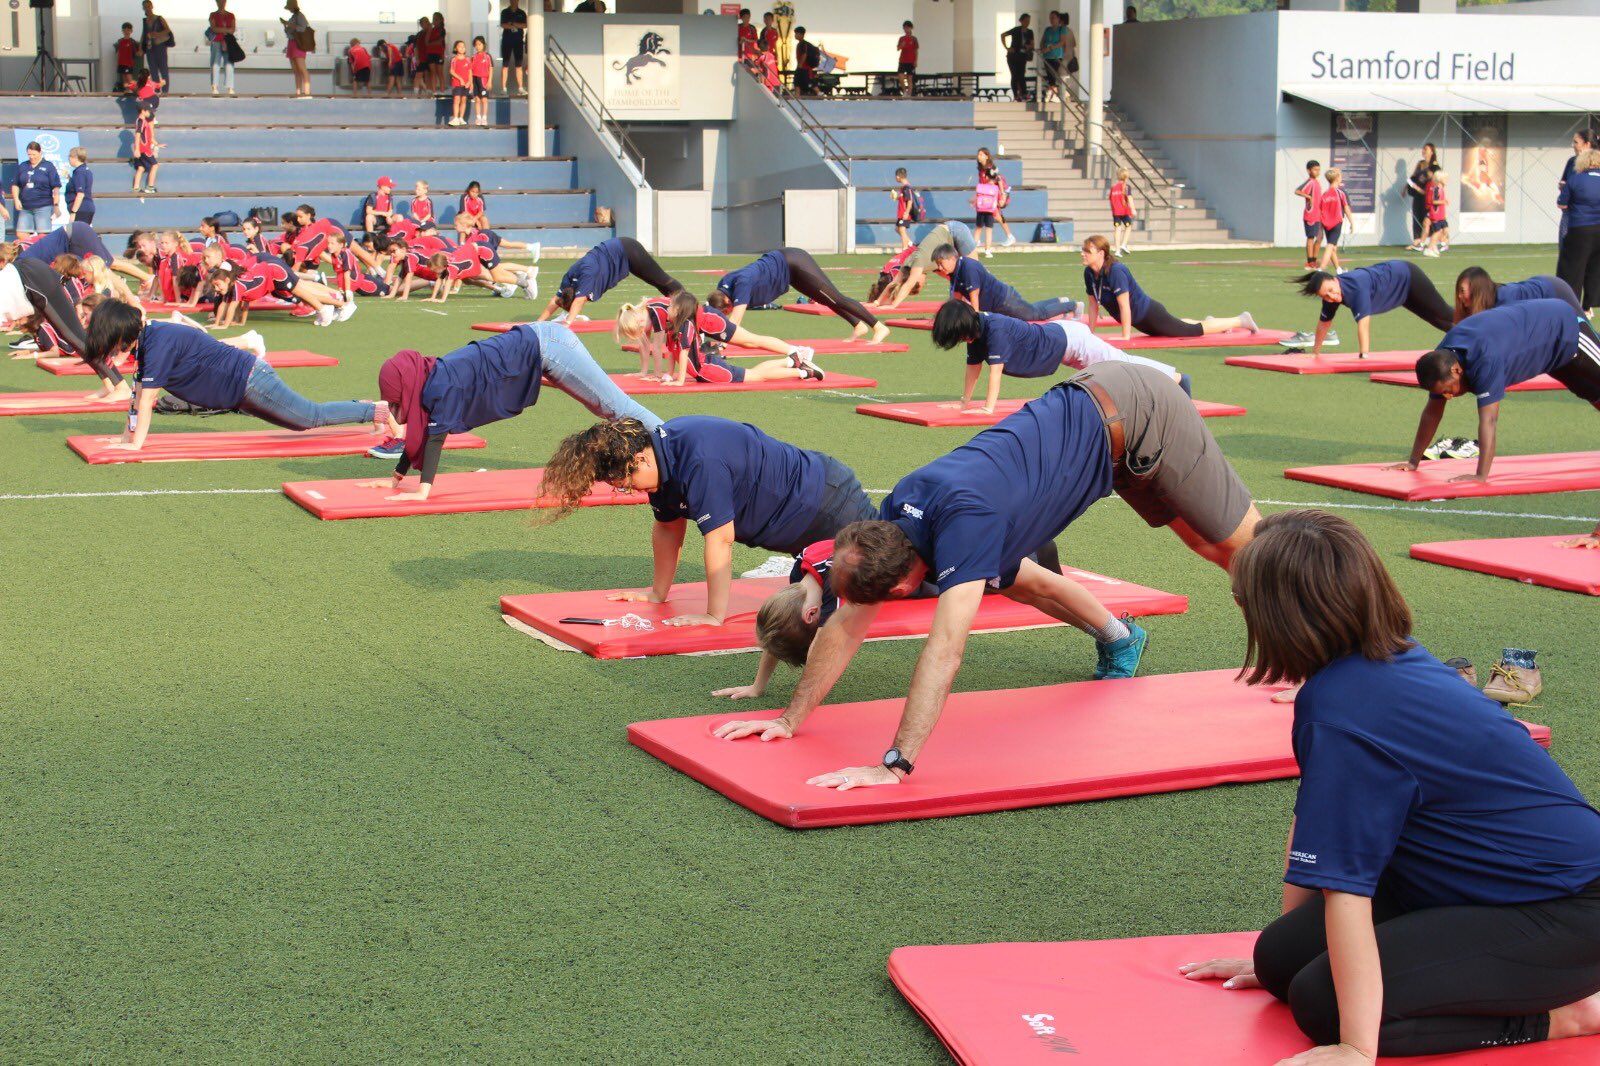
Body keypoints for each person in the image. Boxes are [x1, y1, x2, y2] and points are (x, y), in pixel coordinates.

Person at [710, 363, 1263, 787]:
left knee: (1239, 554)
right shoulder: (894, 517)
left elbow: (945, 650)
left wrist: (895, 764)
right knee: (1022, 579)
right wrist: (789, 719)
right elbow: (844, 625)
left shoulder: (964, 524)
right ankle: (1121, 636)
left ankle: (1325, 659)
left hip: (1143, 408)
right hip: (1098, 425)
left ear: (903, 587)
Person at [1179, 508, 1600, 1061]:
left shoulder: (1342, 709)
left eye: (1241, 600)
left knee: (1321, 1002)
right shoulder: (1384, 660)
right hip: (1472, 882)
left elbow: (1347, 888)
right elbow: (1318, 830)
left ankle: (1569, 1014)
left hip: (1565, 910)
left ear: (1278, 615)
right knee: (1281, 963)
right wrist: (1285, 959)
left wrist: (1354, 1045)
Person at [539, 416, 877, 629]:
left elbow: (720, 539)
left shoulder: (699, 460)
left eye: (624, 482)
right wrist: (657, 593)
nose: (626, 490)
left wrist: (714, 616)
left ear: (639, 458)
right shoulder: (660, 462)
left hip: (830, 507)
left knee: (884, 583)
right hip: (802, 525)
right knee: (802, 609)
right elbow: (668, 527)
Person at [363, 324, 658, 495]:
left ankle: (671, 442)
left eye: (397, 401)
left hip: (551, 346)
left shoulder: (441, 385)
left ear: (406, 387)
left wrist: (423, 492)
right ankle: (661, 449)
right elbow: (423, 432)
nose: (397, 408)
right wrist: (395, 478)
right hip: (543, 347)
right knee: (608, 408)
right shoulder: (428, 377)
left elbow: (435, 439)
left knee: (615, 408)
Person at [86, 301, 384, 451]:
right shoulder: (148, 343)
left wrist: (135, 444)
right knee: (300, 423)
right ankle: (369, 408)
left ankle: (377, 411)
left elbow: (147, 399)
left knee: (309, 417)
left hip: (250, 381)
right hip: (240, 390)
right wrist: (124, 437)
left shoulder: (157, 343)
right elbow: (137, 397)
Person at [1393, 299, 1599, 486]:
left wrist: (1480, 475)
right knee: (1592, 394)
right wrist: (1413, 461)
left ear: (1456, 370)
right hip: (1549, 353)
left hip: (1564, 328)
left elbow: (1489, 420)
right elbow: (1432, 411)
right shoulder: (1442, 360)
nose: (1448, 396)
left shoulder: (1484, 359)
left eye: (1448, 391)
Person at [932, 299, 1188, 414]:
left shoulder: (994, 328)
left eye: (959, 337)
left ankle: (1176, 378)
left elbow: (994, 372)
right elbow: (973, 367)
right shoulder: (976, 331)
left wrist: (988, 408)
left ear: (965, 326)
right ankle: (1169, 381)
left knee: (1123, 365)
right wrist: (965, 402)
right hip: (1063, 346)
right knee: (1114, 374)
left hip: (1073, 341)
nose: (962, 342)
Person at [617, 291, 823, 388]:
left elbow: (666, 348)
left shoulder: (661, 314)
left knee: (751, 340)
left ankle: (796, 353)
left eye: (637, 330)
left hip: (711, 322)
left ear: (638, 319)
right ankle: (794, 360)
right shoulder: (662, 318)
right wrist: (656, 374)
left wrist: (664, 375)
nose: (642, 335)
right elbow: (664, 348)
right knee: (751, 345)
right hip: (703, 333)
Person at [1082, 235, 1256, 340]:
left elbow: (1124, 305)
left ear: (1101, 254)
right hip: (1141, 321)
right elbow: (1093, 305)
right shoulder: (1089, 273)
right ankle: (1213, 322)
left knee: (1191, 331)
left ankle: (1240, 320)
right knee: (1178, 325)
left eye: (1087, 251)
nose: (1083, 254)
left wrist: (1125, 336)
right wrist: (1091, 333)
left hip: (1149, 314)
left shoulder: (1116, 271)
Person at [0, 257, 121, 401]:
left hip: (31, 278)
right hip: (27, 276)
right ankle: (109, 385)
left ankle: (120, 385)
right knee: (71, 336)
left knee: (74, 336)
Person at [1288, 259, 1451, 360]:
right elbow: (1324, 323)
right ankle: (1467, 339)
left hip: (1407, 276)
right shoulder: (1331, 296)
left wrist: (1363, 355)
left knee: (1443, 312)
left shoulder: (1354, 288)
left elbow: (1363, 324)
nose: (1331, 297)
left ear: (1334, 279)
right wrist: (1316, 352)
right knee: (1435, 319)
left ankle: (1476, 315)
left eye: (1331, 290)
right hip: (1400, 293)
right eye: (1325, 296)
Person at [713, 247, 887, 341]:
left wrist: (720, 345)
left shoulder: (741, 284)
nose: (727, 314)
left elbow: (735, 322)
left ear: (727, 301)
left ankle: (878, 327)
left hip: (794, 261)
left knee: (835, 297)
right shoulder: (723, 286)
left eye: (725, 311)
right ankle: (858, 325)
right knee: (824, 299)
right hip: (788, 273)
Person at [536, 236, 682, 322]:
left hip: (628, 250)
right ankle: (679, 314)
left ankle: (691, 311)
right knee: (658, 283)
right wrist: (537, 323)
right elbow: (555, 301)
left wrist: (568, 323)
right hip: (618, 251)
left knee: (663, 280)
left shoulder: (587, 276)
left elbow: (579, 301)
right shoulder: (569, 278)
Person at [934, 244, 1075, 322]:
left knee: (1036, 315)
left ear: (952, 258)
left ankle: (1072, 305)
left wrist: (975, 321)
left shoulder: (968, 267)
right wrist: (949, 316)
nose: (940, 268)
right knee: (1032, 309)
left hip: (1005, 301)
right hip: (1001, 301)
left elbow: (974, 296)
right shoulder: (955, 272)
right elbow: (957, 298)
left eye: (941, 263)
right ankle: (1059, 301)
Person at [875, 221, 978, 310]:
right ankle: (966, 303)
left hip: (956, 230)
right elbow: (894, 283)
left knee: (974, 271)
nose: (923, 284)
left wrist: (893, 305)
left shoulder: (918, 263)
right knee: (963, 274)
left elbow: (908, 284)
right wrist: (877, 302)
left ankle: (978, 304)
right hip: (948, 231)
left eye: (919, 284)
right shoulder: (908, 263)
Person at [1557, 144, 1600, 316]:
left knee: (1572, 267)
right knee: (1595, 267)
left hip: (1580, 228)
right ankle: (1589, 305)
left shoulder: (1575, 179)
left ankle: (1570, 304)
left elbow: (1562, 203)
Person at [1454, 267, 1581, 322]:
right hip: (1542, 287)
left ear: (1478, 290)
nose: (1459, 296)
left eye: (1462, 291)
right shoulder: (1491, 301)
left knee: (1583, 331)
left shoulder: (1505, 300)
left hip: (1555, 290)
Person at [10, 141, 61, 240]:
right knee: (21, 234)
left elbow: (56, 187)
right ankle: (29, 251)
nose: (32, 157)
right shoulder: (23, 166)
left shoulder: (48, 166)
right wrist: (16, 199)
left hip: (43, 205)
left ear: (40, 152)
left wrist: (56, 205)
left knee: (43, 236)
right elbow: (15, 184)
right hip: (25, 206)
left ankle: (41, 253)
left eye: (34, 154)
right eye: (29, 154)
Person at [974, 147, 1017, 255]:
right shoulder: (981, 169)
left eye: (981, 155)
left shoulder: (990, 168)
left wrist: (1002, 195)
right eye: (978, 154)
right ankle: (1009, 236)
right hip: (988, 195)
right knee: (997, 215)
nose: (979, 157)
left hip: (993, 195)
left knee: (996, 215)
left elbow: (999, 181)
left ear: (987, 156)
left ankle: (1009, 236)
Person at [1558, 128, 1595, 243]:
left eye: (1576, 142)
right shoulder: (1571, 162)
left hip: (1592, 216)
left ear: (1587, 144)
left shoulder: (1597, 163)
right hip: (1570, 215)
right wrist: (1564, 188)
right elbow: (1565, 184)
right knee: (1567, 252)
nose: (1572, 145)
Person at [1317, 167, 1352, 274]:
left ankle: (1338, 269)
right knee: (1330, 245)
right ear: (1337, 178)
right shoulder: (1341, 193)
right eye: (1340, 176)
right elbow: (1346, 208)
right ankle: (1321, 269)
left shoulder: (1324, 194)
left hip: (1326, 223)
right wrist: (1352, 222)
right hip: (1337, 222)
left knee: (1332, 248)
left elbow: (1321, 212)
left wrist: (1321, 228)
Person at [1404, 143, 1438, 252]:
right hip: (1418, 195)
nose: (1423, 151)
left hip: (1428, 196)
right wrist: (1405, 189)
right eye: (1423, 149)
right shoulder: (1420, 164)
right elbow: (1413, 178)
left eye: (1426, 149)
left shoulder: (1434, 166)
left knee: (1428, 219)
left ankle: (1432, 242)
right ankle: (1417, 241)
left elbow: (1437, 180)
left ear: (1431, 152)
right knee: (1416, 216)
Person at [281, 0, 312, 98]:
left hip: (298, 43)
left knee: (302, 68)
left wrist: (289, 24)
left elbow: (303, 28)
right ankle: (298, 91)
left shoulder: (300, 16)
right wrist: (285, 25)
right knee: (296, 69)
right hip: (291, 42)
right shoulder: (293, 17)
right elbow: (289, 31)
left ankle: (306, 91)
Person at [1295, 159, 1323, 270]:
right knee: (1311, 237)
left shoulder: (1316, 182)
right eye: (1315, 170)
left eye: (1319, 170)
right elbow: (1297, 191)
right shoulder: (1310, 181)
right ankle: (1309, 262)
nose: (1317, 172)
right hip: (1310, 215)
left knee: (1320, 238)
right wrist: (1309, 197)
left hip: (1319, 215)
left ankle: (1314, 261)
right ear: (1309, 170)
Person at [1001, 13, 1033, 103]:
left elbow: (1032, 44)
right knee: (1014, 75)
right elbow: (1003, 35)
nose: (1027, 23)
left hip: (1022, 55)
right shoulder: (1016, 30)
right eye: (1026, 21)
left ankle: (1024, 93)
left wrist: (1029, 47)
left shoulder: (1030, 32)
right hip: (1013, 55)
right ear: (1021, 21)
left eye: (1028, 21)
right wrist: (1007, 47)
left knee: (1021, 74)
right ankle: (1016, 94)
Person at [140, 1, 173, 89]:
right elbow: (143, 35)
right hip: (150, 48)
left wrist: (157, 34)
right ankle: (157, 91)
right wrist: (141, 48)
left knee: (163, 70)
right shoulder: (145, 21)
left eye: (148, 6)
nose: (147, 8)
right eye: (145, 7)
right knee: (153, 71)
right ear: (143, 8)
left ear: (152, 6)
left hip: (160, 46)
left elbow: (168, 30)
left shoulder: (159, 18)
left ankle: (165, 91)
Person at [208, 0, 237, 95]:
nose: (222, 3)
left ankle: (230, 87)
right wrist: (226, 30)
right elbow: (213, 28)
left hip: (228, 42)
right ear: (216, 2)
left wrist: (221, 30)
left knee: (229, 64)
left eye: (223, 1)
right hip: (217, 41)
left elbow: (232, 29)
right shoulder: (213, 15)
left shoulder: (231, 15)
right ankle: (214, 86)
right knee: (215, 64)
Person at [500, 0, 528, 96]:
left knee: (519, 65)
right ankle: (503, 88)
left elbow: (525, 25)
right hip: (506, 41)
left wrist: (513, 24)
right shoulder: (504, 12)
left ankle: (520, 87)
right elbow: (503, 25)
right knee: (505, 65)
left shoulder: (521, 13)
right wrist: (515, 25)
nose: (514, 1)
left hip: (518, 41)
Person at [1423, 169, 1451, 258]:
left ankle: (1434, 246)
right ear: (1440, 179)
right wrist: (1443, 201)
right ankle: (1429, 248)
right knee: (1437, 232)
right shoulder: (1436, 189)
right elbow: (1434, 201)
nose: (1447, 180)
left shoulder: (1442, 189)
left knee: (1445, 230)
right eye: (1445, 178)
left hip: (1441, 215)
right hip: (1436, 214)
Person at [891, 167, 920, 250]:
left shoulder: (907, 187)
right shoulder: (904, 188)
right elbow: (904, 199)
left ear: (898, 177)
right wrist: (896, 197)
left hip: (904, 213)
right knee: (898, 229)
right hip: (901, 213)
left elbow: (910, 200)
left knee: (902, 231)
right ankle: (911, 245)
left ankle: (904, 249)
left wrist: (906, 212)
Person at [64, 149, 95, 226]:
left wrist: (73, 212)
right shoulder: (85, 170)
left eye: (70, 156)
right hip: (86, 207)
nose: (68, 159)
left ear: (75, 157)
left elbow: (80, 194)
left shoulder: (79, 172)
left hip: (81, 209)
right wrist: (69, 178)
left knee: (77, 234)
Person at [1108, 168, 1135, 256]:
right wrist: (1133, 209)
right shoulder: (1127, 187)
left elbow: (1111, 199)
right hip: (1124, 211)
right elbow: (1130, 198)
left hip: (1116, 212)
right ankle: (1124, 244)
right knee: (1128, 226)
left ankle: (1117, 250)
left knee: (1117, 229)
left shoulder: (1113, 188)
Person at [447, 40, 472, 126]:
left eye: (463, 46)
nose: (462, 48)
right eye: (460, 46)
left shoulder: (468, 60)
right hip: (457, 83)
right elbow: (451, 71)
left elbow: (470, 72)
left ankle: (461, 118)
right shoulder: (454, 59)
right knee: (457, 99)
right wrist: (460, 79)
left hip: (466, 85)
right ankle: (455, 118)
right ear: (455, 48)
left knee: (464, 100)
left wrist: (469, 82)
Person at [470, 36, 493, 126]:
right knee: (477, 99)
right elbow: (471, 70)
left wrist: (489, 81)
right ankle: (478, 118)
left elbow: (491, 68)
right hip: (475, 79)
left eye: (479, 44)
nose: (477, 46)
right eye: (476, 45)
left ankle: (484, 118)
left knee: (484, 99)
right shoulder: (473, 57)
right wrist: (471, 82)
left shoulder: (487, 56)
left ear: (483, 45)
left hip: (483, 79)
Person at [114, 22, 141, 91]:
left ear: (131, 31)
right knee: (124, 78)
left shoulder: (133, 42)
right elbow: (117, 52)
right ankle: (127, 90)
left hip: (128, 63)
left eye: (128, 30)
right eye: (125, 30)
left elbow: (138, 53)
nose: (126, 32)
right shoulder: (120, 41)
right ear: (122, 31)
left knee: (129, 78)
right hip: (121, 63)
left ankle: (136, 90)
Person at [792, 27, 819, 95]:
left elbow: (804, 54)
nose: (795, 35)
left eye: (797, 34)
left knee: (808, 82)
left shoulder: (802, 44)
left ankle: (819, 93)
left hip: (803, 68)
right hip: (803, 68)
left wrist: (800, 65)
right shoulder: (801, 44)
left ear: (801, 34)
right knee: (797, 83)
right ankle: (797, 97)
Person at [895, 20, 917, 98]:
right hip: (902, 60)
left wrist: (915, 61)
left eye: (907, 28)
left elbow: (916, 50)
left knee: (909, 79)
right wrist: (902, 45)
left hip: (910, 61)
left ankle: (909, 95)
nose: (906, 29)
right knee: (900, 77)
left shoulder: (914, 39)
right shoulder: (902, 38)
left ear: (911, 28)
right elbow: (898, 48)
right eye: (904, 28)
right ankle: (904, 91)